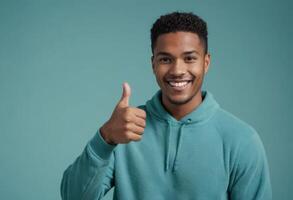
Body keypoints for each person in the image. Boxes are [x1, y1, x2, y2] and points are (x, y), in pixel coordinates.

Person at [61, 12, 272, 200]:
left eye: (189, 58)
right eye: (165, 59)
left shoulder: (242, 140)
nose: (178, 70)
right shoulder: (124, 130)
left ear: (206, 63)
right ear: (153, 64)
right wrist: (105, 137)